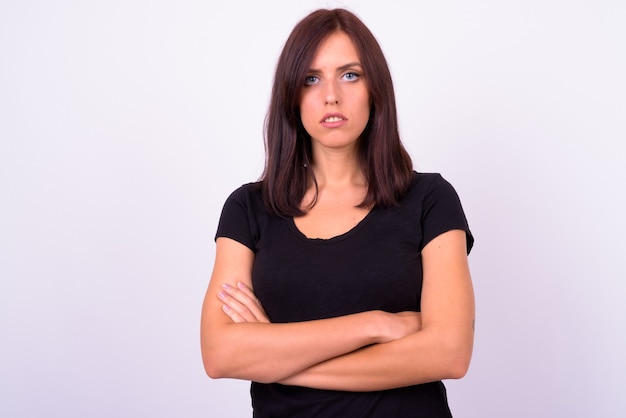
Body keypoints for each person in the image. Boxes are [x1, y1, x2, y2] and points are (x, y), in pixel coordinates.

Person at [200, 8, 475, 417]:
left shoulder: (429, 199)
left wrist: (277, 357)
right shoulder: (249, 209)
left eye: (350, 75)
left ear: (375, 88)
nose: (331, 95)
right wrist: (376, 324)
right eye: (312, 78)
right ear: (291, 96)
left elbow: (449, 353)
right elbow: (220, 354)